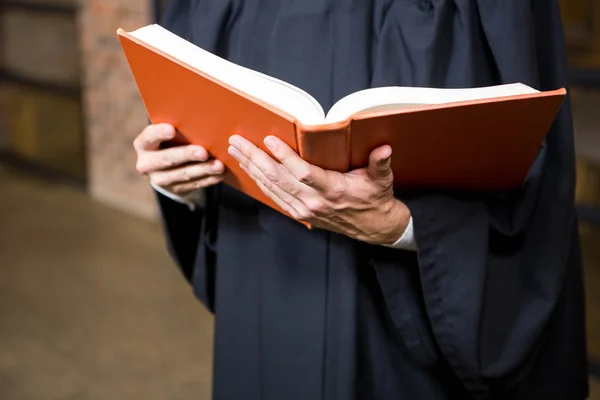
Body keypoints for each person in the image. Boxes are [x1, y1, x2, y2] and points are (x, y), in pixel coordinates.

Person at [133, 0, 589, 398]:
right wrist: (183, 179)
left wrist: (403, 226)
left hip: (402, 346)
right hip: (257, 298)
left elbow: (536, 175)